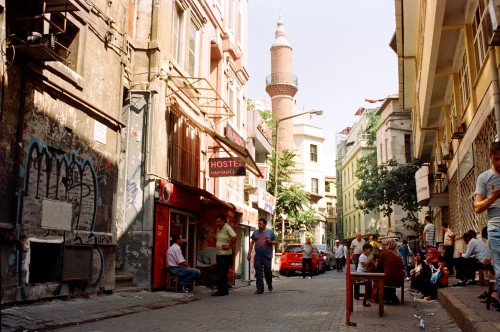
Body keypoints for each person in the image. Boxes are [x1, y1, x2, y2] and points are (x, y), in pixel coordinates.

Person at [474, 142, 500, 310]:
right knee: (499, 267)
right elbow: (477, 207)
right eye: (497, 159)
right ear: (491, 156)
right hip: (496, 228)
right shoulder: (484, 178)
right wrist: (492, 198)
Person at [247, 218, 277, 294]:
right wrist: (249, 253)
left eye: (260, 224)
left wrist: (270, 242)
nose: (259, 225)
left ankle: (269, 284)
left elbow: (276, 242)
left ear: (265, 224)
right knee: (258, 272)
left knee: (267, 272)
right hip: (258, 256)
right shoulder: (256, 233)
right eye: (258, 224)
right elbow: (252, 243)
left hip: (267, 256)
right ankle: (260, 289)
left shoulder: (270, 232)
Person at [373, 239, 405, 305]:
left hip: (388, 279)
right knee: (391, 273)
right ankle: (392, 296)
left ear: (387, 246)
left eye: (384, 245)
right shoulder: (399, 255)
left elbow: (379, 266)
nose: (383, 246)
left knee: (378, 271)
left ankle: (380, 296)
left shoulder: (384, 253)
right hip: (399, 279)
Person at [212, 214, 237, 296]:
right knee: (221, 272)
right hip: (219, 253)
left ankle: (222, 291)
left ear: (223, 221)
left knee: (221, 272)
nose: (217, 223)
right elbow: (216, 238)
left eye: (218, 222)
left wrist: (229, 245)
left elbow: (234, 236)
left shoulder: (227, 227)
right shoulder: (218, 229)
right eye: (216, 222)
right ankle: (224, 291)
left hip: (225, 254)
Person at [355, 243, 375, 307]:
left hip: (365, 272)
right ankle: (367, 297)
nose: (370, 251)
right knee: (368, 282)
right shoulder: (362, 256)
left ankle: (368, 296)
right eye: (369, 250)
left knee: (370, 281)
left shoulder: (367, 256)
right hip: (361, 272)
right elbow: (363, 265)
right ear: (365, 249)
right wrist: (369, 261)